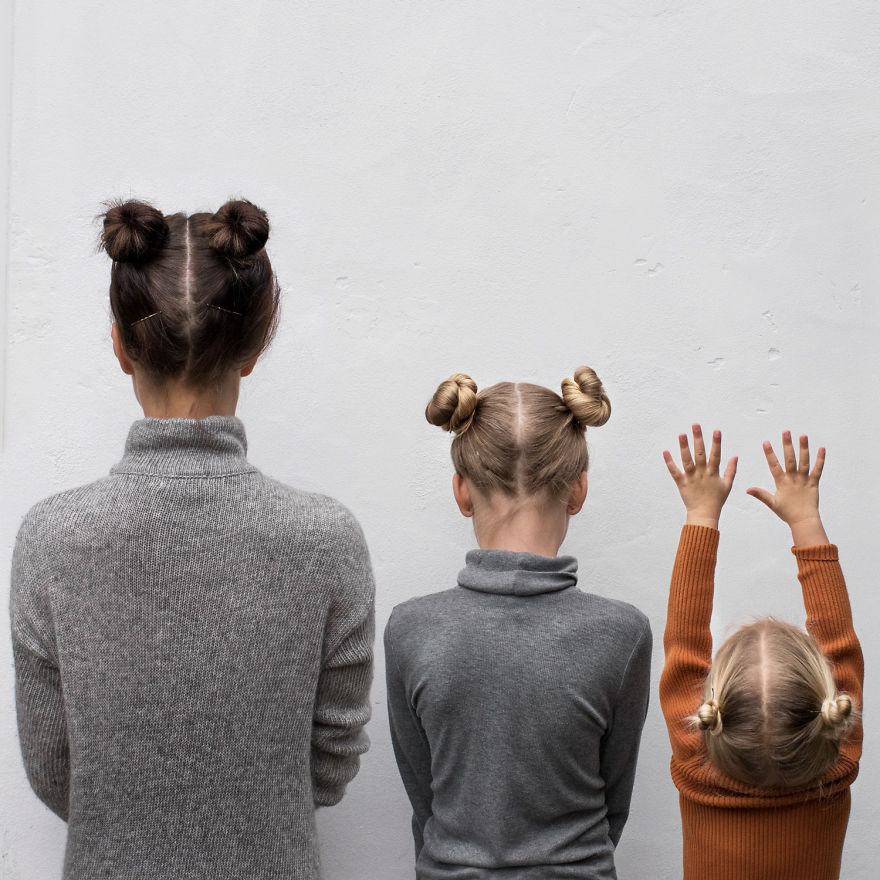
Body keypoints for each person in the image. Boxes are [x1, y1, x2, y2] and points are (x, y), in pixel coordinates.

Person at [10, 199, 375, 880]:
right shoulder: (326, 537)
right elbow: (330, 757)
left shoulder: (51, 539)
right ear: (255, 346)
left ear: (120, 347)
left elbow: (52, 765)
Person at [385, 369, 652, 880]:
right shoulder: (623, 633)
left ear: (462, 491)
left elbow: (426, 800)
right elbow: (614, 800)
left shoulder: (410, 628)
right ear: (578, 490)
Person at [660, 426, 862, 880]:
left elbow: (683, 637)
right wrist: (806, 520)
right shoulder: (838, 757)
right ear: (830, 704)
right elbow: (839, 638)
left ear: (709, 705)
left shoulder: (696, 759)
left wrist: (701, 513)